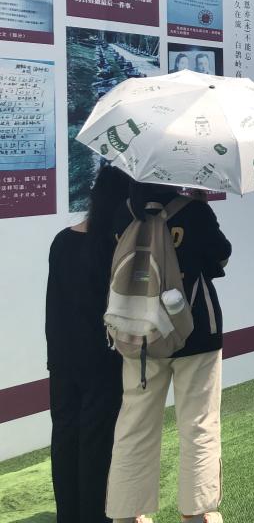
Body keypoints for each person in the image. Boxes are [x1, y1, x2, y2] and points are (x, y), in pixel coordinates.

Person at [106, 184, 233, 523]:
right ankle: (196, 514)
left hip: (139, 335)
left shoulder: (123, 213)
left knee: (134, 424)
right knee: (199, 423)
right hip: (196, 332)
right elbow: (220, 257)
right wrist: (202, 208)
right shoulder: (194, 211)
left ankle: (126, 514)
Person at [47, 165, 131, 523]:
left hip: (61, 358)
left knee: (65, 437)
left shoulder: (62, 241)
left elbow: (54, 304)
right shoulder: (115, 247)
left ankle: (68, 515)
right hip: (102, 359)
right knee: (98, 442)